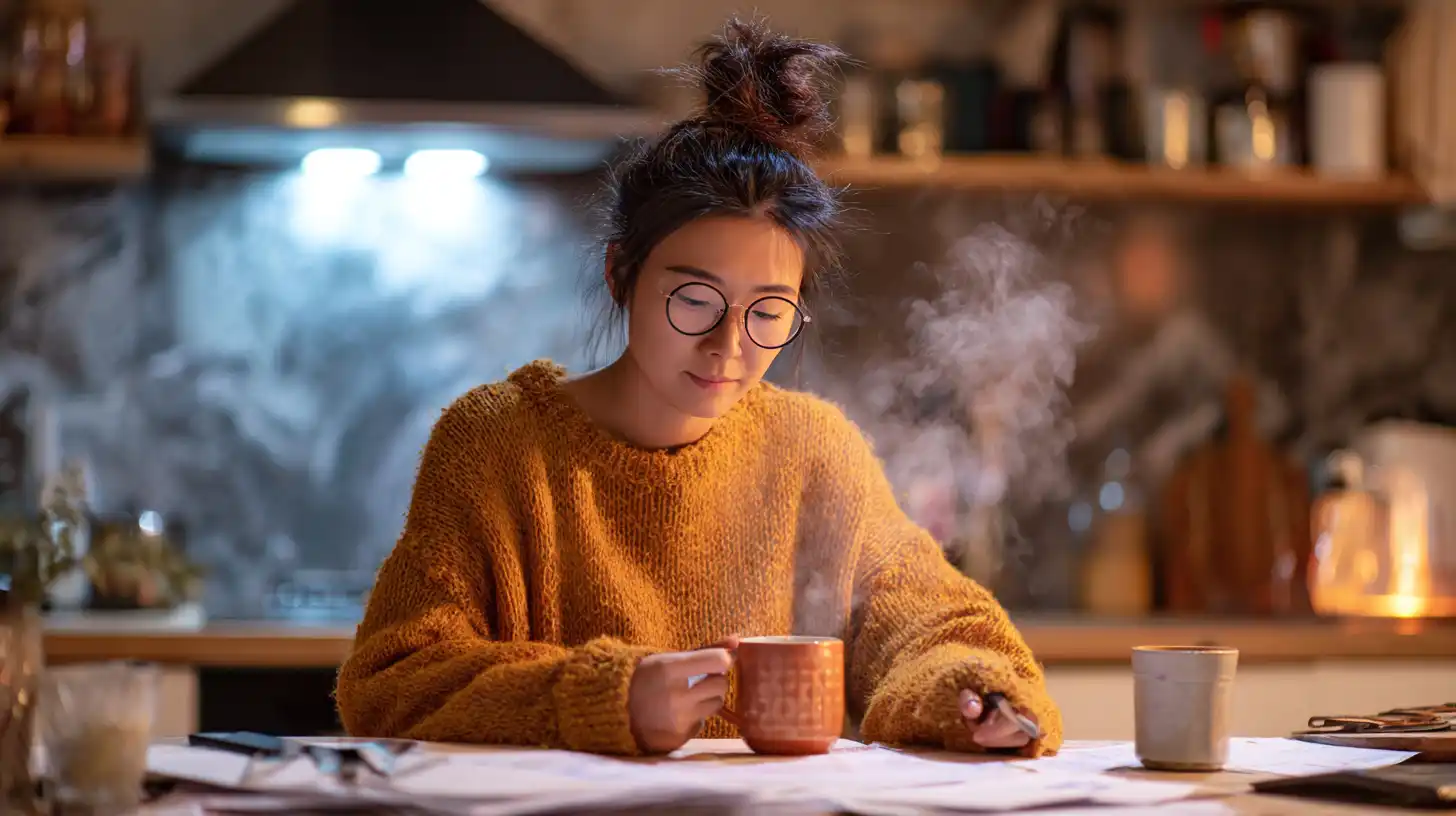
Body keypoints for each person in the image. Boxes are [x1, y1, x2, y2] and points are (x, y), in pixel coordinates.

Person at [335, 18, 1063, 759]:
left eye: (768, 312)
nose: (729, 345)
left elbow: (930, 624)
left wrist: (972, 693)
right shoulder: (497, 444)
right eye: (694, 300)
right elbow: (392, 680)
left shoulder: (811, 449)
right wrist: (606, 697)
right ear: (621, 274)